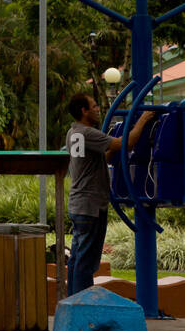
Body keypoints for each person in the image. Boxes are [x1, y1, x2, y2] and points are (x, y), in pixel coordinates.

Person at [65, 93, 154, 296]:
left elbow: (101, 157)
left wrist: (111, 145)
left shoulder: (73, 133)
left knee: (77, 257)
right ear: (83, 111)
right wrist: (142, 120)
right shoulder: (88, 133)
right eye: (94, 106)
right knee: (85, 262)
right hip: (91, 205)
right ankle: (82, 302)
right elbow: (127, 144)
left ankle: (72, 300)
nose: (97, 109)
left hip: (80, 203)